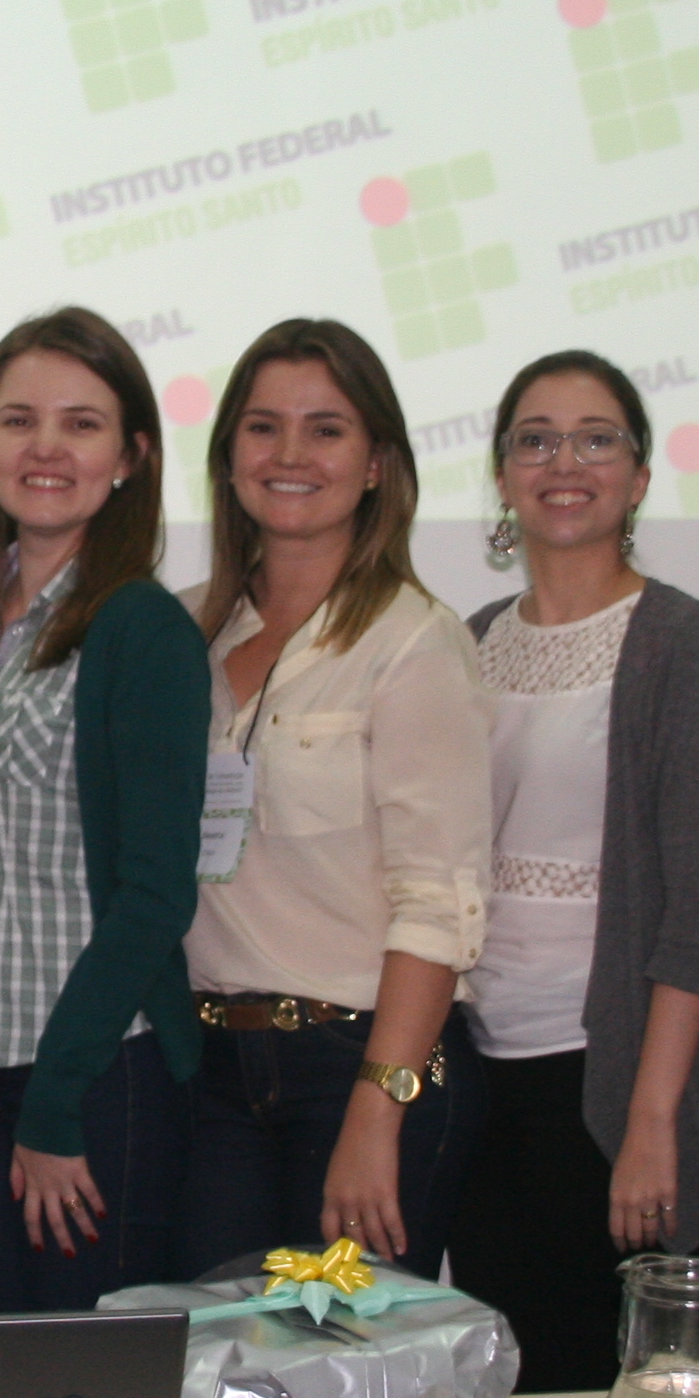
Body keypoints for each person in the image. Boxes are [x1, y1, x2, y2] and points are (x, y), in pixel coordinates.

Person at [446, 348, 699, 1394]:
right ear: (503, 476)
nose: (565, 462)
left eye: (596, 439)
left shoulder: (681, 641)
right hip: (482, 1076)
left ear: (638, 476)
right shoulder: (470, 641)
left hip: (609, 1080)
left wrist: (651, 1121)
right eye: (536, 440)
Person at [181, 319, 491, 1276]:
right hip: (209, 1073)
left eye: (325, 429)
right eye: (263, 427)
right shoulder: (183, 633)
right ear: (228, 455)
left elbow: (437, 902)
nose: (290, 454)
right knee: (216, 1357)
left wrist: (376, 1108)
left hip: (356, 1067)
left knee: (347, 1364)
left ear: (375, 465)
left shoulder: (414, 641)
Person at [0, 308, 204, 1312]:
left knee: (86, 1388)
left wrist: (54, 1100)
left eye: (81, 425)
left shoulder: (143, 630)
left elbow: (154, 895)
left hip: (89, 1082)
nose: (45, 447)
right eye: (18, 420)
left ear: (130, 459)